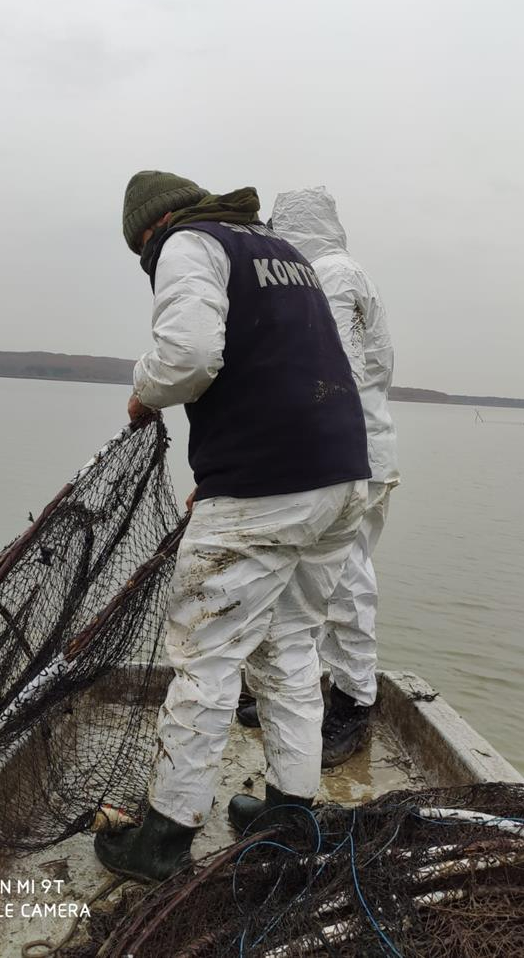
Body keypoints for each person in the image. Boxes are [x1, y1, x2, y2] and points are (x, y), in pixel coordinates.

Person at [93, 170, 371, 883]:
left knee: (205, 655)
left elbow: (188, 357)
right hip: (340, 479)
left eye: (141, 256)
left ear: (150, 230)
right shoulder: (283, 252)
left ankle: (161, 838)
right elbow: (283, 366)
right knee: (291, 647)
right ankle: (289, 814)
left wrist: (143, 391)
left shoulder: (188, 242)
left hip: (269, 485)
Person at [237, 186, 399, 768]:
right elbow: (378, 367)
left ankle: (354, 703)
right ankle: (308, 693)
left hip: (345, 454)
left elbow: (332, 374)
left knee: (344, 580)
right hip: (354, 449)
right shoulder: (345, 273)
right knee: (313, 581)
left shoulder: (327, 275)